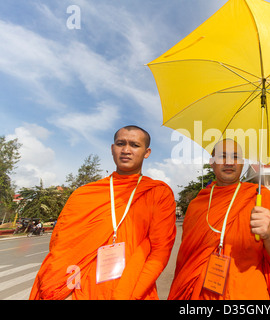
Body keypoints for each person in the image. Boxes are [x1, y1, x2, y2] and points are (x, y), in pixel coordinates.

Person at [30, 125, 176, 300]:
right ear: (112, 149)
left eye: (135, 145)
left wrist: (131, 295)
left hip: (133, 291)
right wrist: (68, 292)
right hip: (82, 291)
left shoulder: (158, 193)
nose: (126, 150)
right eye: (121, 143)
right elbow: (63, 249)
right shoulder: (84, 194)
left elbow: (160, 252)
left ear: (147, 152)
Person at [168, 139, 270, 300]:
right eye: (222, 156)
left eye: (235, 157)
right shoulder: (197, 205)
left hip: (249, 295)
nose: (229, 162)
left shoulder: (263, 199)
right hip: (202, 294)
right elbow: (186, 259)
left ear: (242, 163)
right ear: (212, 163)